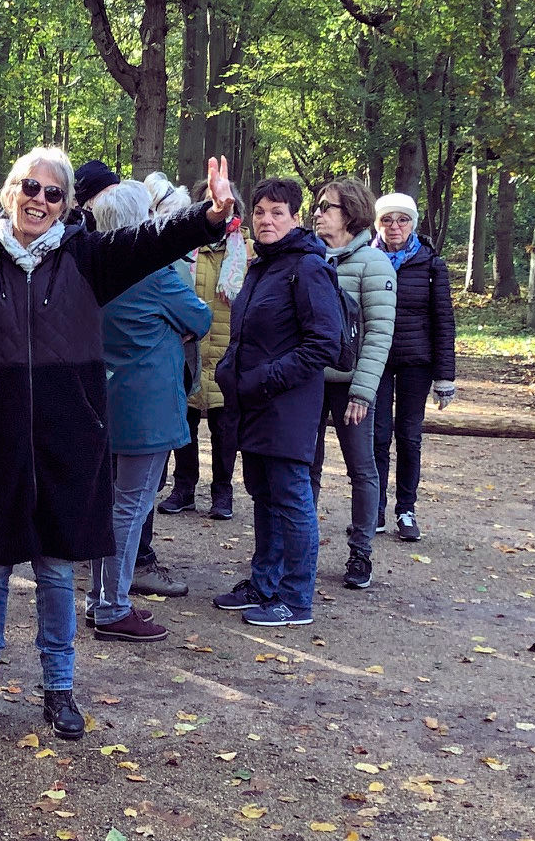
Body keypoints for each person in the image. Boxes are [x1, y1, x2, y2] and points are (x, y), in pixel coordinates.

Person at [0, 148, 238, 741]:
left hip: (69, 443)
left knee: (58, 573)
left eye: (54, 192)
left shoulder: (87, 259)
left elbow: (152, 242)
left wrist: (209, 217)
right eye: (30, 187)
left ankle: (59, 690)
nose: (40, 199)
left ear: (67, 205)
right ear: (11, 191)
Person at [210, 177, 347, 627]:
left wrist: (266, 379)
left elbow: (323, 343)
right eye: (260, 212)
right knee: (264, 495)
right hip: (253, 403)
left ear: (294, 217)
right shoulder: (262, 265)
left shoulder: (307, 268)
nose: (266, 220)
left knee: (292, 499)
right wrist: (232, 370)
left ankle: (296, 598)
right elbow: (247, 332)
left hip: (287, 406)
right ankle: (263, 584)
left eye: (277, 213)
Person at [80, 179, 212, 642]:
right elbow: (200, 318)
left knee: (110, 505)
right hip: (147, 408)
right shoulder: (154, 274)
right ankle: (112, 607)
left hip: (103, 399)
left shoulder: (91, 267)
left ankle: (102, 600)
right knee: (130, 507)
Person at [312, 178, 397, 590]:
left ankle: (360, 552)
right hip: (308, 382)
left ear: (351, 213)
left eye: (327, 207)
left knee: (361, 468)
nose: (318, 213)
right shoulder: (309, 258)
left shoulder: (374, 264)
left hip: (353, 388)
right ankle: (301, 547)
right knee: (303, 468)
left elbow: (380, 334)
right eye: (319, 206)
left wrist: (363, 391)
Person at [371, 192, 457, 541]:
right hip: (375, 360)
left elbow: (444, 321)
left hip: (416, 363)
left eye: (402, 219)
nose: (395, 226)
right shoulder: (367, 259)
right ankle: (373, 509)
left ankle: (406, 510)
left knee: (408, 436)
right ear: (377, 223)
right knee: (376, 437)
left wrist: (445, 375)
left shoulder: (430, 264)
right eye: (387, 220)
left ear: (413, 223)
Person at [161, 184, 246, 521]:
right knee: (185, 424)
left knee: (226, 429)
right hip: (189, 353)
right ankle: (184, 488)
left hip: (228, 352)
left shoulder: (247, 251)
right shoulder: (182, 249)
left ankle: (222, 492)